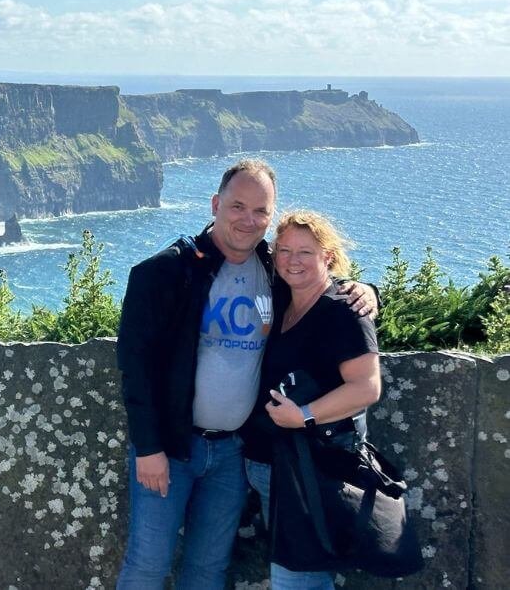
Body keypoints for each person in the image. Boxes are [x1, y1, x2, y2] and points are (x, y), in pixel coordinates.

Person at [115, 160, 376, 589]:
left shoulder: (272, 269)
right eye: (237, 206)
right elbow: (135, 364)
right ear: (216, 204)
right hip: (171, 448)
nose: (247, 220)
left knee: (208, 568)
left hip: (233, 454)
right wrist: (148, 447)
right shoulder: (168, 271)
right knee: (148, 565)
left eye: (260, 211)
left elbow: (316, 284)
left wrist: (365, 290)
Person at [241, 210, 381, 589]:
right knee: (302, 574)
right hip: (272, 466)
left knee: (295, 578)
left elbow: (367, 388)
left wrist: (303, 415)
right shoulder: (284, 298)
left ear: (328, 257)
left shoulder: (343, 311)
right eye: (284, 250)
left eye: (305, 251)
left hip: (309, 469)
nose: (292, 260)